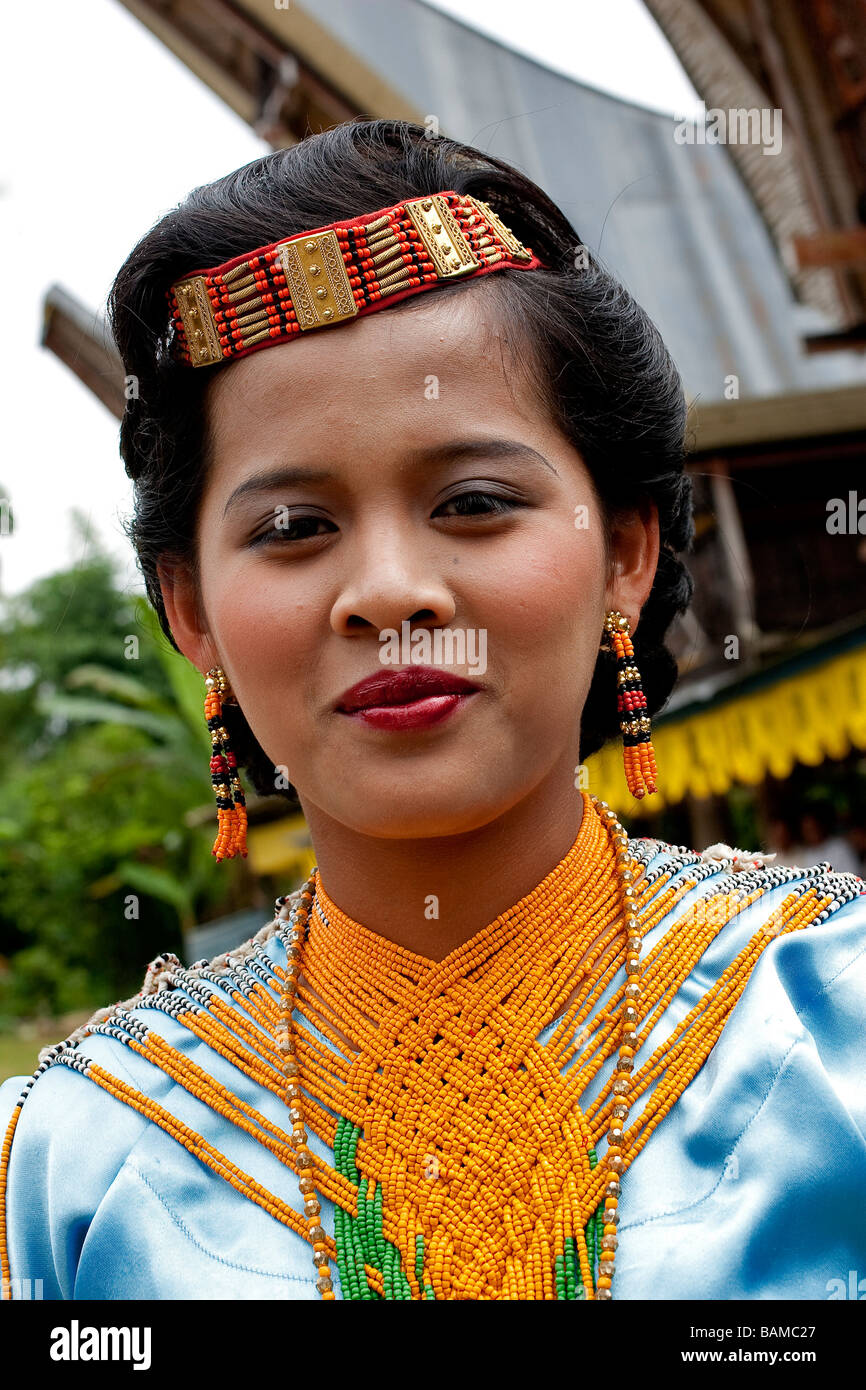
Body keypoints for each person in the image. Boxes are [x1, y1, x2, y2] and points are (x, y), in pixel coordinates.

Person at [2, 120, 864, 1302]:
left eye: (471, 500)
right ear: (190, 610)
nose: (389, 591)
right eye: (293, 528)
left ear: (620, 550)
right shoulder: (69, 1164)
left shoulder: (834, 1022)